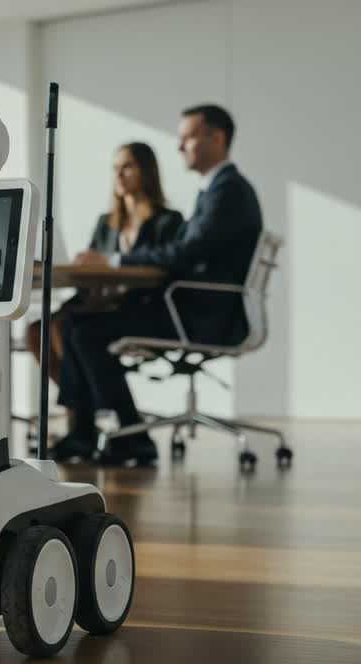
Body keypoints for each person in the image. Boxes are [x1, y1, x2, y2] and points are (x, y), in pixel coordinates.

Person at [52, 105, 262, 466]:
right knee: (72, 323)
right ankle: (88, 432)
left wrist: (115, 261)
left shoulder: (228, 191)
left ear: (217, 138)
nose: (179, 146)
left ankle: (132, 436)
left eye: (188, 137)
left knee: (85, 331)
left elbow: (185, 253)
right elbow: (186, 250)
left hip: (200, 314)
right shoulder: (218, 189)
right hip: (192, 307)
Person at [25, 142, 184, 386]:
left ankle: (84, 406)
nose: (119, 174)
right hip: (98, 300)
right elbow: (93, 263)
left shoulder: (168, 221)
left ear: (146, 171)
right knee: (37, 331)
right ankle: (83, 401)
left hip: (139, 305)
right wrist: (85, 262)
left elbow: (166, 265)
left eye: (127, 167)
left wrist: (108, 262)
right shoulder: (106, 223)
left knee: (65, 328)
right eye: (115, 168)